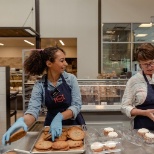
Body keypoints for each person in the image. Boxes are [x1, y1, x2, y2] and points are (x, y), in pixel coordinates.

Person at [2, 46, 85, 145]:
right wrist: (22, 121)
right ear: (49, 63)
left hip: (73, 124)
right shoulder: (40, 85)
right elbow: (33, 110)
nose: (65, 63)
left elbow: (76, 105)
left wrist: (59, 117)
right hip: (50, 126)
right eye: (62, 61)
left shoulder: (70, 79)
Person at [121, 43, 154, 130]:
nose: (150, 67)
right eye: (145, 64)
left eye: (151, 63)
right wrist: (145, 113)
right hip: (142, 127)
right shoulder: (134, 81)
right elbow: (124, 107)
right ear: (140, 64)